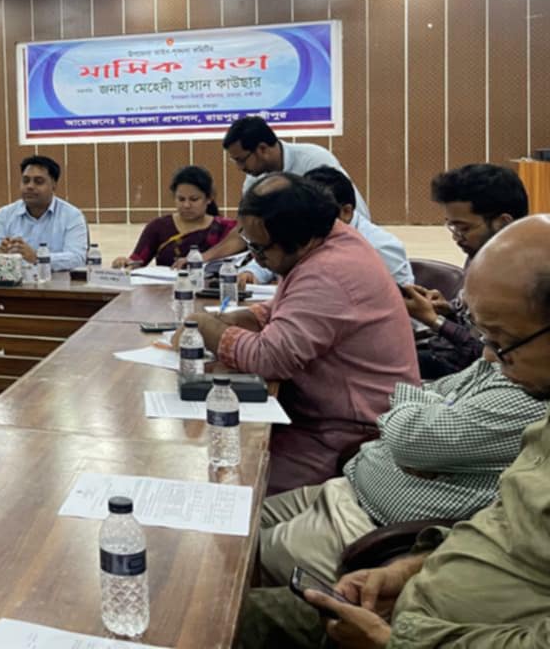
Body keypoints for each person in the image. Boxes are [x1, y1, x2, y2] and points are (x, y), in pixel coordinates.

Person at [236, 214, 550, 649]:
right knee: (220, 551)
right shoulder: (536, 406)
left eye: (503, 340)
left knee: (218, 594)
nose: (490, 358)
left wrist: (391, 641)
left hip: (412, 627)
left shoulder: (529, 399)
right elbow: (501, 528)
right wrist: (408, 570)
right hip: (402, 586)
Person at [194, 174, 418, 494]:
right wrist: (241, 319)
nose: (255, 258)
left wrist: (204, 327)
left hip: (348, 435)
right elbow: (287, 308)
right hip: (321, 416)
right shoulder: (328, 239)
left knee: (230, 487)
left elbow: (269, 358)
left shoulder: (329, 271)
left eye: (259, 248)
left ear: (300, 239)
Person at [256, 349, 545, 587]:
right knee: (236, 519)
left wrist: (421, 425)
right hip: (345, 486)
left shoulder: (530, 391)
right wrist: (423, 423)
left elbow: (409, 439)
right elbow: (423, 392)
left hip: (362, 528)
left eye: (499, 334)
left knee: (233, 559)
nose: (487, 348)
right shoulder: (500, 359)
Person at [404, 163, 528, 379]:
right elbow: (472, 324)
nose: (456, 236)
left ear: (502, 222)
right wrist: (447, 311)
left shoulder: (525, 277)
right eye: (452, 226)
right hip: (446, 358)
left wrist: (433, 320)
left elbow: (491, 357)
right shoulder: (481, 251)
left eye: (464, 228)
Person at [198, 116, 366, 264]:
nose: (240, 167)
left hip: (343, 247)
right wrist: (200, 259)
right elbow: (245, 230)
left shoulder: (313, 160)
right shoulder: (254, 180)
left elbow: (341, 217)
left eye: (241, 160)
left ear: (262, 149)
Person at [239, 166, 412, 288]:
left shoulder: (380, 247)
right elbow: (277, 253)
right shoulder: (314, 235)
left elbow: (405, 307)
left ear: (346, 212)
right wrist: (252, 273)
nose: (306, 221)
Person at [111, 165, 236, 269]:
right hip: (165, 289)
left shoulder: (225, 228)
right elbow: (137, 261)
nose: (186, 205)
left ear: (209, 198)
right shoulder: (158, 227)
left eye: (194, 199)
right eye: (181, 199)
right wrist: (124, 263)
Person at [0, 155, 87, 271]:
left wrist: (37, 257)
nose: (30, 186)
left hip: (55, 280)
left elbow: (77, 258)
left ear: (54, 185)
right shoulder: (5, 214)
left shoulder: (72, 216)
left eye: (38, 182)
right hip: (15, 280)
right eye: (25, 181)